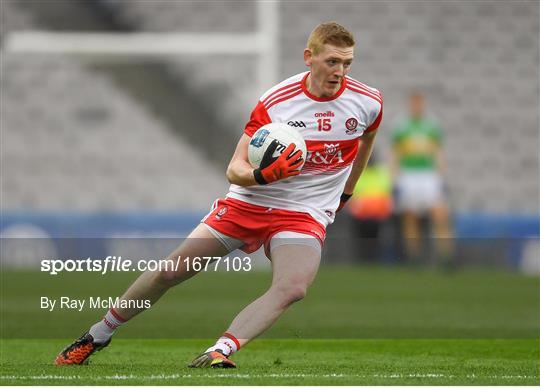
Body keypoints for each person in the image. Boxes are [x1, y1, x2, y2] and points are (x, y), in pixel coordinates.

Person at [54, 22, 383, 368]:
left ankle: (220, 350)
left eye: (347, 63)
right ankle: (97, 335)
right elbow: (235, 168)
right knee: (169, 272)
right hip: (249, 202)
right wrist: (262, 174)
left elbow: (368, 139)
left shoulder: (367, 101)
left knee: (294, 287)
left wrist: (346, 192)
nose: (340, 72)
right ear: (309, 57)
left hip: (303, 212)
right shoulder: (277, 103)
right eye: (332, 61)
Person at [391, 91, 452, 264]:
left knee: (439, 214)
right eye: (413, 103)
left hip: (428, 175)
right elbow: (396, 152)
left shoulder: (431, 125)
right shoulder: (401, 125)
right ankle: (414, 257)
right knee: (410, 217)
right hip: (408, 175)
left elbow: (438, 152)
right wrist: (395, 177)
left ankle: (446, 257)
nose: (416, 106)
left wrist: (440, 175)